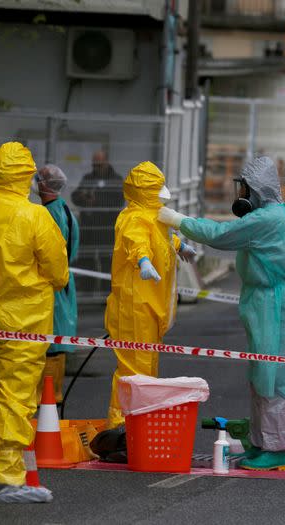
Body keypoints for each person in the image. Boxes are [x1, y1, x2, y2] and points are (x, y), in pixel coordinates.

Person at [158, 156, 285, 471]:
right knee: (260, 377)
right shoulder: (275, 213)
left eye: (245, 188)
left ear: (257, 190)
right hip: (266, 302)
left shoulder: (266, 219)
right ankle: (261, 443)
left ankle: (276, 449)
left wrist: (175, 219)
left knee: (274, 380)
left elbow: (218, 235)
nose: (240, 195)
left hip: (275, 306)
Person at [0, 142, 69, 504]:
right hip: (23, 321)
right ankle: (6, 478)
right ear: (26, 175)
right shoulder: (35, 217)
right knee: (15, 397)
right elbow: (58, 272)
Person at [104, 161, 196, 429]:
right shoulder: (133, 218)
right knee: (134, 370)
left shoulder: (154, 217)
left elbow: (160, 238)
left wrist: (180, 246)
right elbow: (137, 241)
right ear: (146, 192)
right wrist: (143, 260)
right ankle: (120, 427)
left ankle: (138, 422)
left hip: (149, 305)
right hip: (134, 306)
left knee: (146, 367)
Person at [33, 164, 80, 403]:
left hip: (51, 282)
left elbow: (48, 253)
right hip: (63, 281)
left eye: (37, 178)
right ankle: (53, 393)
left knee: (51, 339)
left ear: (43, 184)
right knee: (58, 335)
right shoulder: (65, 210)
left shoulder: (48, 213)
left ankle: (48, 394)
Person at [70, 151, 124, 282]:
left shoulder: (116, 180)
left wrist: (97, 201)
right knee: (86, 260)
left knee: (107, 261)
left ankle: (106, 290)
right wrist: (84, 199)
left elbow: (119, 201)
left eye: (99, 165)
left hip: (106, 229)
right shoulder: (88, 178)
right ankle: (86, 287)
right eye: (94, 165)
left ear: (106, 162)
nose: (96, 168)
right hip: (89, 228)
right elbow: (75, 196)